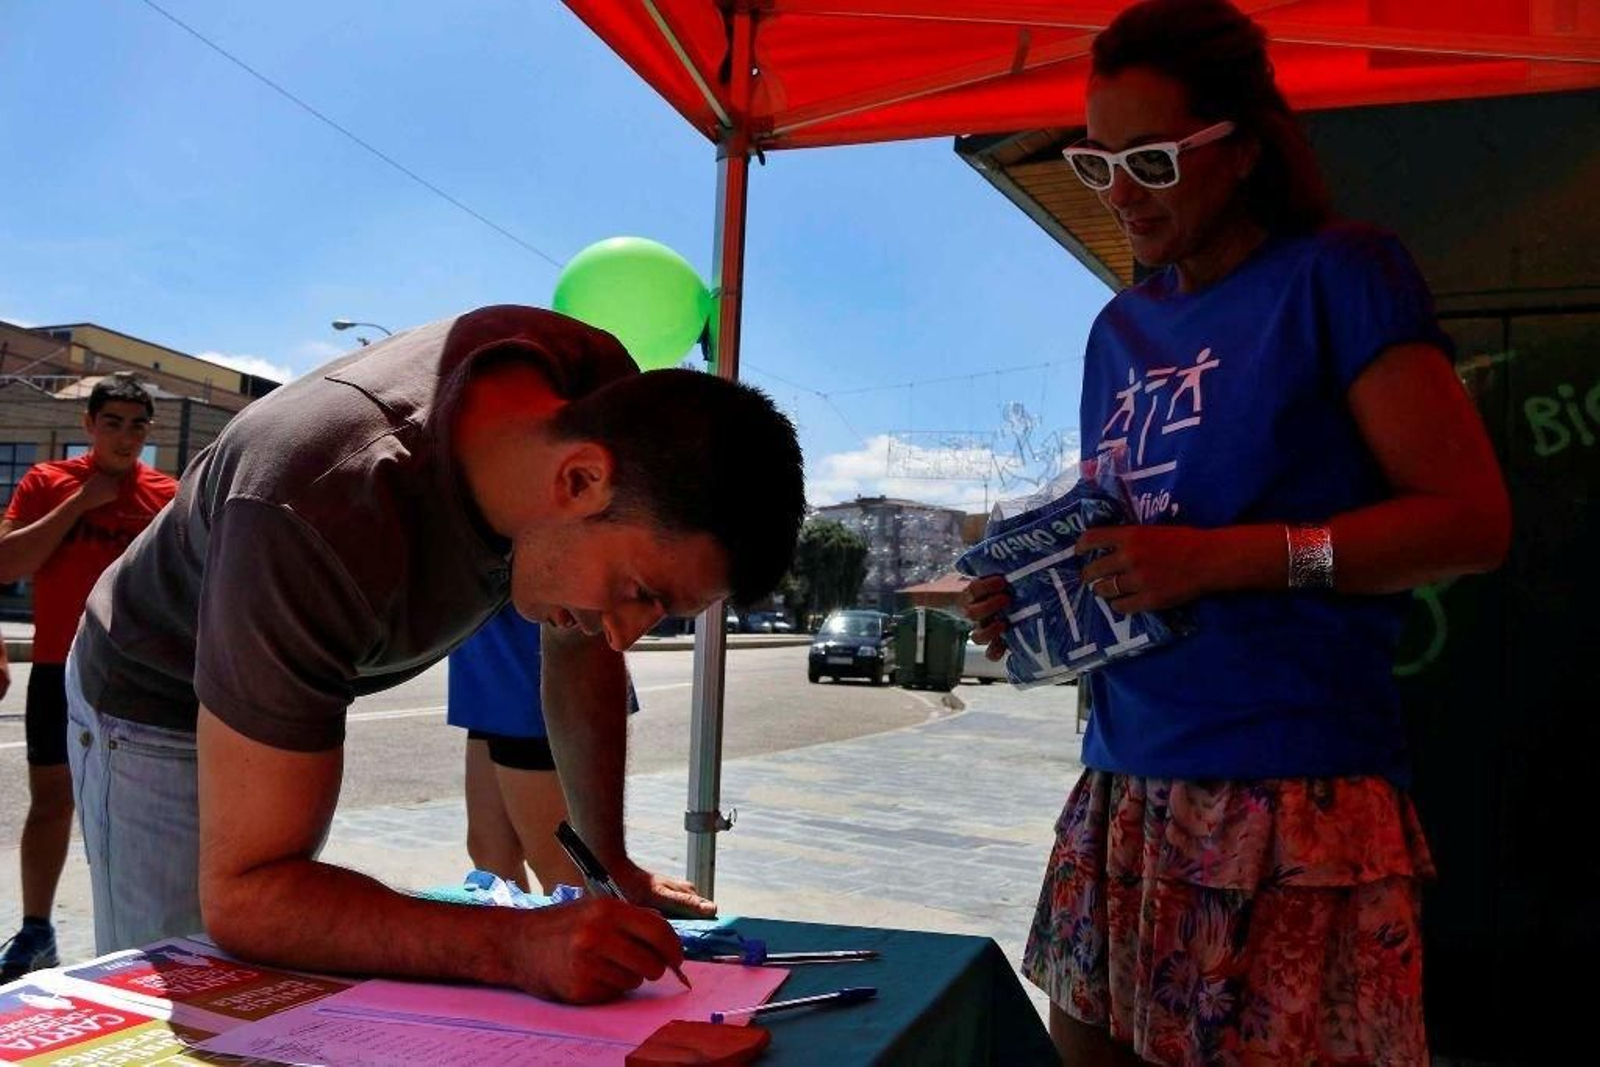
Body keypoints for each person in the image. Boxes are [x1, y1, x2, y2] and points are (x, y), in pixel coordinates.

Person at [961, 2, 1511, 1063]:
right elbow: (1130, 538)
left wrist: (1223, 560)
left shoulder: (1341, 274)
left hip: (1287, 791)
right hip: (1121, 780)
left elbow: (1469, 522)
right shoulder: (1116, 329)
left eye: (1154, 162)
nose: (1121, 193)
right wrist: (1035, 603)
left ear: (1246, 152)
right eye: (1098, 161)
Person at [66, 305, 806, 1004]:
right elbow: (251, 895)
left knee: (289, 980)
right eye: (640, 591)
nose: (625, 633)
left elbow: (580, 650)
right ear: (579, 479)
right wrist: (515, 947)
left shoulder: (604, 397)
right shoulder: (314, 509)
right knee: (204, 1002)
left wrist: (607, 865)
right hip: (153, 695)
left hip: (274, 646)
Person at [0, 373, 177, 982]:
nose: (125, 436)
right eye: (112, 423)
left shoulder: (167, 495)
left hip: (138, 676)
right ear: (89, 427)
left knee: (133, 811)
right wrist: (81, 503)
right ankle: (36, 930)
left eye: (137, 425)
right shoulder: (48, 483)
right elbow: (7, 565)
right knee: (52, 802)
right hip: (57, 665)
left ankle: (145, 940)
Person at [450, 604, 586, 894]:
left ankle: (598, 937)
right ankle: (522, 938)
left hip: (522, 641)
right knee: (491, 854)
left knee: (561, 869)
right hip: (485, 636)